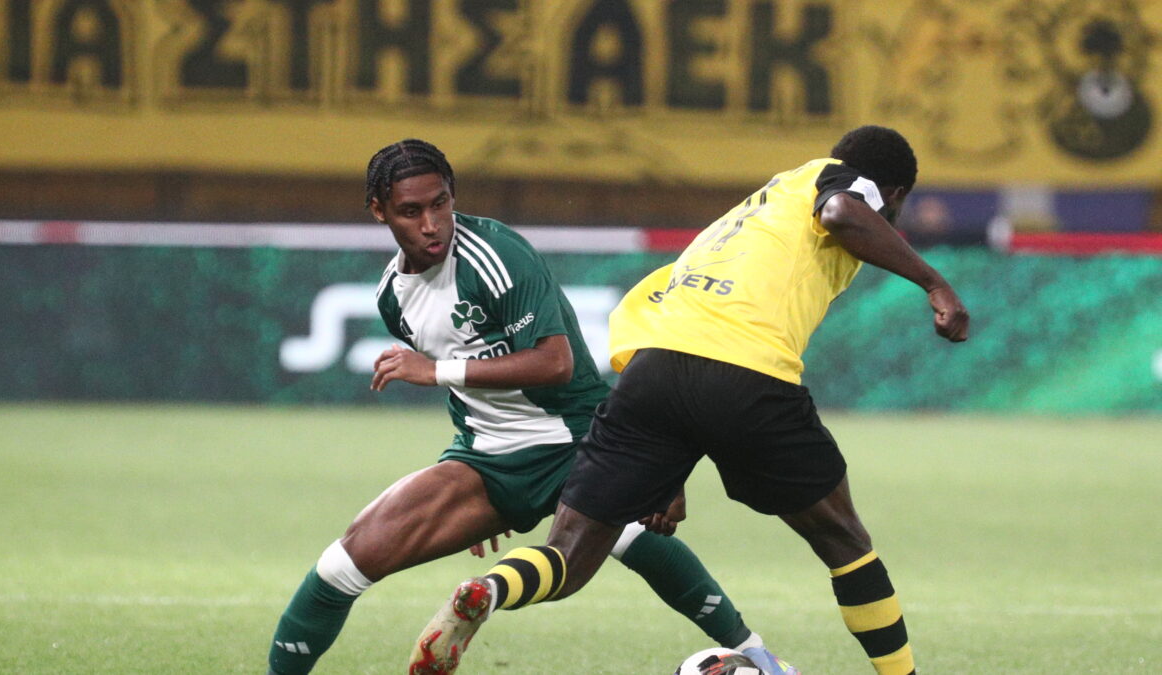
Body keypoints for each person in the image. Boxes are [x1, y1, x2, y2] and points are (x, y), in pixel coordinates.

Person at [412, 126, 970, 675]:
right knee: (845, 541)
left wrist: (666, 471)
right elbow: (843, 212)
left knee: (570, 552)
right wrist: (935, 284)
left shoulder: (745, 218)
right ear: (894, 194)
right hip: (749, 372)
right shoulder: (840, 181)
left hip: (653, 372)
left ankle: (488, 590)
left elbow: (648, 324)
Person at [266, 139, 798, 675]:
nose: (431, 224)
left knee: (631, 536)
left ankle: (756, 653)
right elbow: (469, 387)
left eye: (440, 203)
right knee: (341, 566)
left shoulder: (497, 254)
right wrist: (482, 493)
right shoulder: (393, 296)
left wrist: (436, 371)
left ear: (452, 195)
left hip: (577, 440)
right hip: (488, 458)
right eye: (411, 211)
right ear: (379, 211)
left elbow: (554, 363)